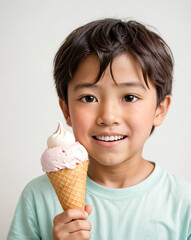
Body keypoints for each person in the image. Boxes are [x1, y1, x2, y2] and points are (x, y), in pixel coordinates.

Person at [8, 18, 191, 240]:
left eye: (129, 97)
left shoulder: (184, 203)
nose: (108, 117)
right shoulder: (37, 197)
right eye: (89, 97)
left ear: (159, 109)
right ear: (66, 110)